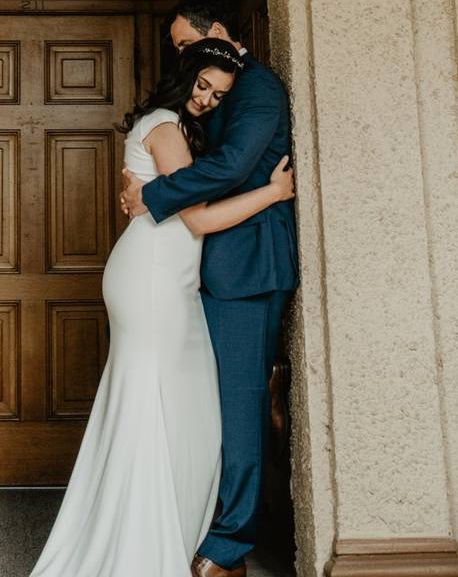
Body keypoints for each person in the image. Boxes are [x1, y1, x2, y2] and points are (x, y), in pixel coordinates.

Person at [29, 38, 295, 577]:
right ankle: (142, 535)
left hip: (166, 277)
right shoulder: (167, 129)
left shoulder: (175, 124)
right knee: (152, 402)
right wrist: (274, 193)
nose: (208, 100)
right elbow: (197, 219)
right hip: (153, 278)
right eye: (202, 86)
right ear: (184, 73)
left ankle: (171, 524)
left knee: (170, 401)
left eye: (220, 95)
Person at [120, 0, 300, 577]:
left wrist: (151, 196)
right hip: (204, 265)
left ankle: (225, 549)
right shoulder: (203, 95)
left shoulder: (258, 89)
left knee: (238, 406)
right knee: (216, 403)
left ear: (215, 31)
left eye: (183, 45)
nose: (181, 60)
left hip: (246, 267)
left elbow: (232, 168)